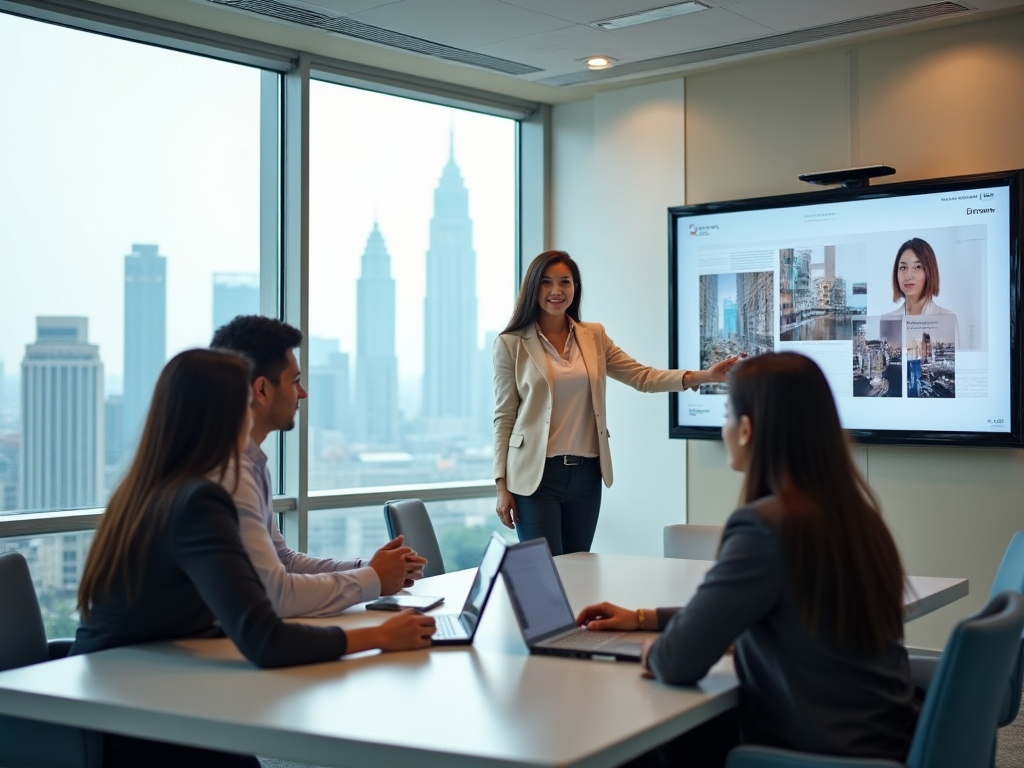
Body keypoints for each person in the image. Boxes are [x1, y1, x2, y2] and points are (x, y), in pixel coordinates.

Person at [72, 349, 435, 768]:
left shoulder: (150, 487)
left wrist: (366, 577)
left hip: (127, 687)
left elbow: (265, 577)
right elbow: (264, 638)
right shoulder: (198, 501)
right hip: (143, 719)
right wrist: (380, 636)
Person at [576, 352, 918, 766]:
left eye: (726, 415)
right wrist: (645, 618)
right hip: (879, 742)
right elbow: (762, 612)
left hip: (814, 754)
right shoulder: (856, 514)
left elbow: (678, 661)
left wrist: (646, 650)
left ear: (746, 429)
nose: (723, 429)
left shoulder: (765, 526)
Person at [493, 250, 740, 555]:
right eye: (546, 282)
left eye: (565, 282)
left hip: (585, 475)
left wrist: (705, 376)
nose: (556, 291)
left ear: (575, 287)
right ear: (533, 288)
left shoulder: (593, 336)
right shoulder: (511, 343)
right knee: (546, 574)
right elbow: (504, 417)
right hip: (534, 478)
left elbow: (643, 377)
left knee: (577, 570)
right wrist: (501, 485)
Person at [211, 315, 426, 618]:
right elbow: (278, 594)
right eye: (295, 381)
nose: (303, 393)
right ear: (261, 389)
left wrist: (369, 570)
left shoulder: (253, 464)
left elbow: (282, 560)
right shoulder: (230, 473)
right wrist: (372, 578)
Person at [885, 237, 955, 316]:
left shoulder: (946, 317)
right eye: (903, 268)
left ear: (930, 271)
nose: (908, 275)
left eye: (917, 267)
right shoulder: (888, 319)